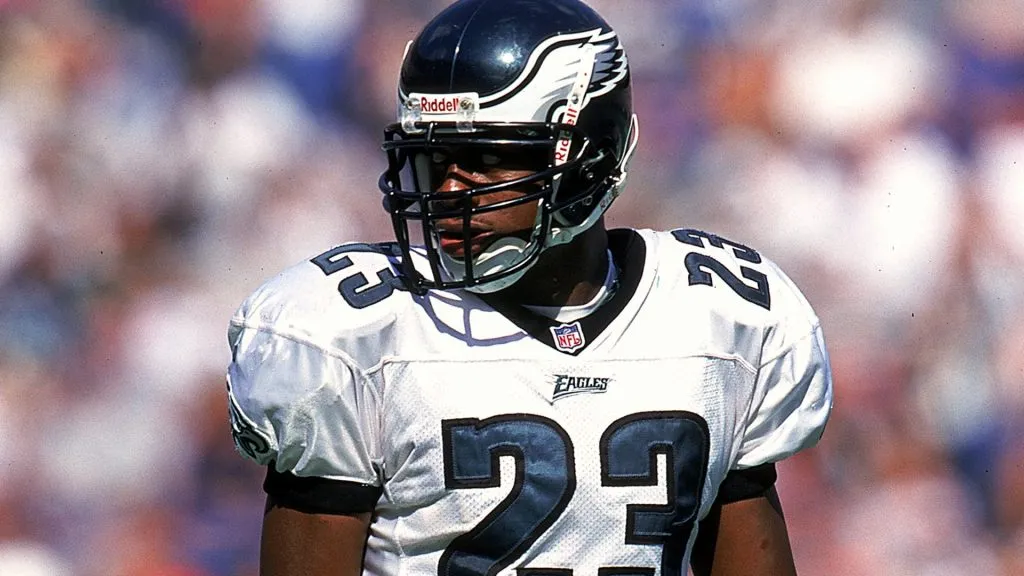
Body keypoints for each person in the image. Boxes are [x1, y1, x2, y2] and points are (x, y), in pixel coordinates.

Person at [224, 0, 834, 574]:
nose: (449, 193)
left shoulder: (719, 316)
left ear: (590, 158)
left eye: (487, 158)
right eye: (435, 162)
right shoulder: (351, 333)